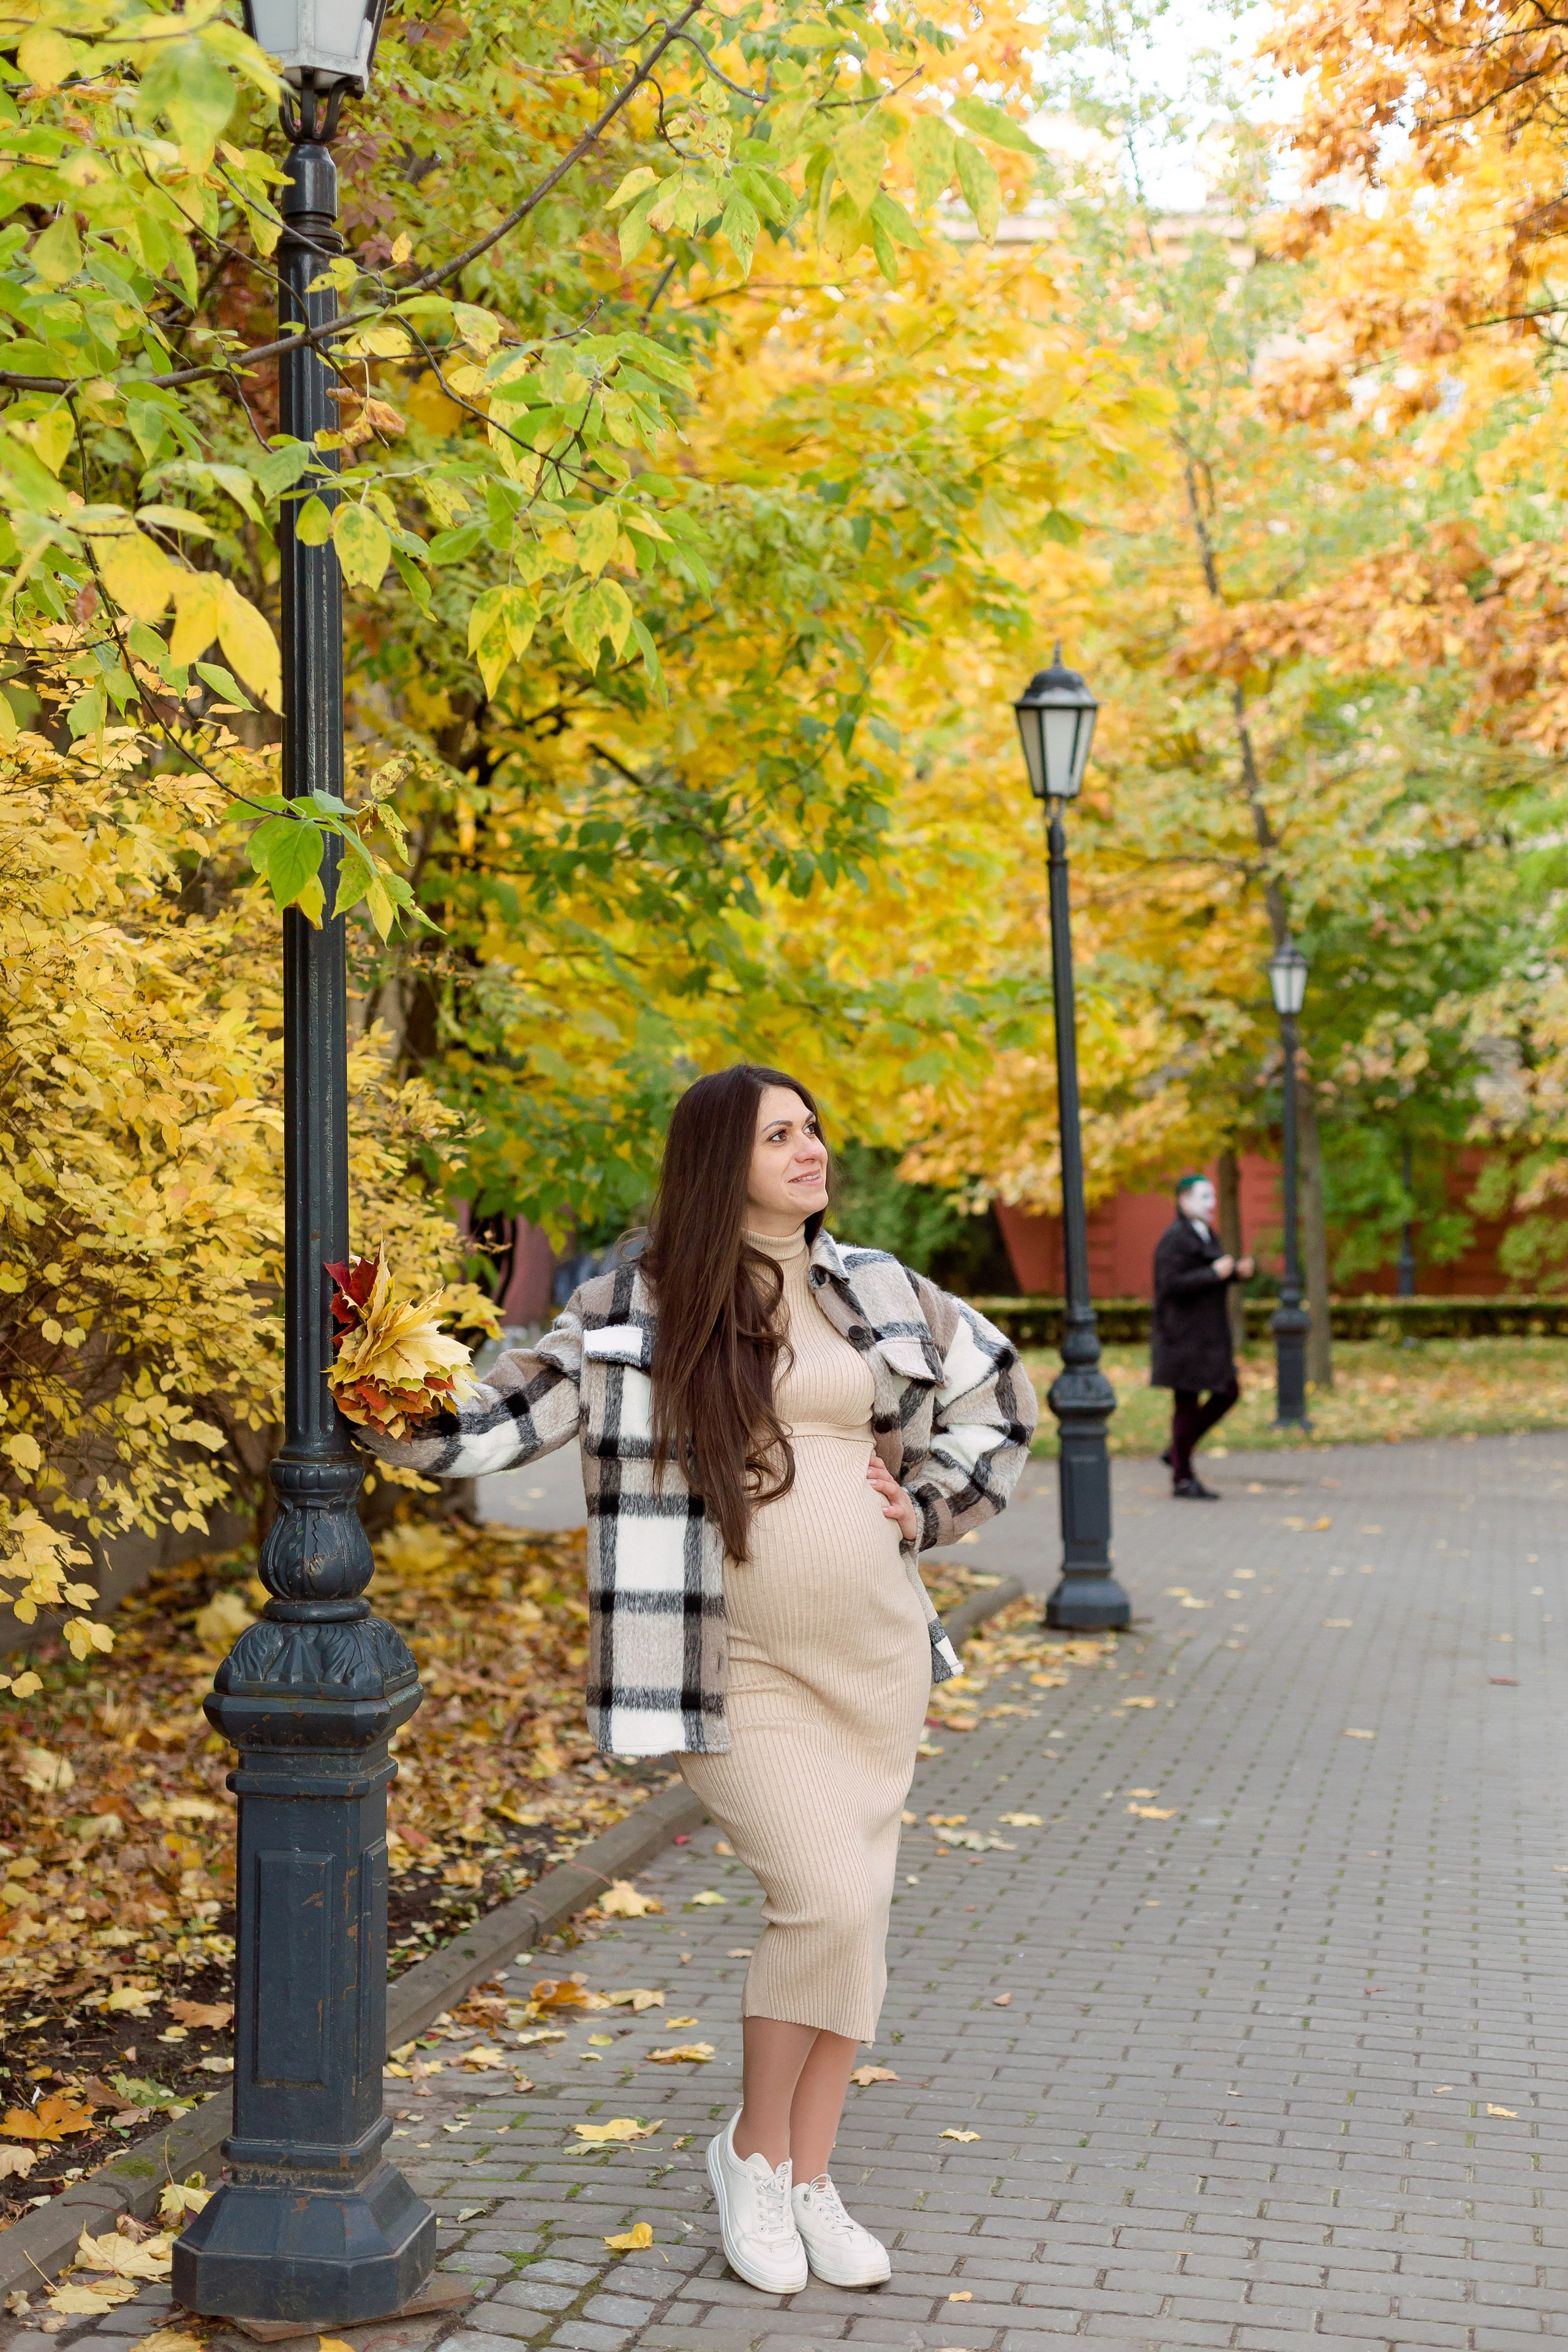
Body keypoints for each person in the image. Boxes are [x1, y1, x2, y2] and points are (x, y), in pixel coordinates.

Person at [355, 1065, 1038, 2296]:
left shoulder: (878, 1286)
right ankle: (749, 2158)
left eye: (814, 1127)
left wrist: (926, 1506)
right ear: (719, 1161)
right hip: (730, 1663)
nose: (810, 1149)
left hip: (877, 1656)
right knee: (821, 1899)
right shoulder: (637, 1305)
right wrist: (372, 1384)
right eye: (780, 1134)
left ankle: (810, 2176)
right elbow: (492, 1418)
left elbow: (1000, 1392)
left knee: (854, 1924)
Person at [1151, 1173, 1254, 1499]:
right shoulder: (1176, 1237)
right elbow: (1170, 1284)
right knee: (1188, 1403)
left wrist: (1235, 1274)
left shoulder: (1205, 1233)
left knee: (1227, 1391)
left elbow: (1205, 1280)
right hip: (1182, 1338)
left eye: (1212, 1197)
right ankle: (1182, 1477)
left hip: (1206, 1338)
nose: (1212, 1204)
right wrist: (1213, 1273)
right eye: (1204, 1197)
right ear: (1184, 1201)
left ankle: (1178, 1452)